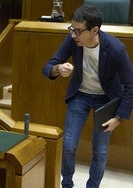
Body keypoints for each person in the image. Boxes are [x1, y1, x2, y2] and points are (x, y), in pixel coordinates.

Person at [42, 5, 133, 188]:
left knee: (99, 151)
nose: (73, 35)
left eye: (77, 31)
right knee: (68, 146)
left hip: (106, 100)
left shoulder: (115, 48)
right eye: (71, 29)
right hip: (80, 96)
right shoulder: (73, 40)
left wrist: (118, 117)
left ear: (94, 30)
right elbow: (48, 66)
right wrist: (57, 69)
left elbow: (131, 85)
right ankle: (66, 185)